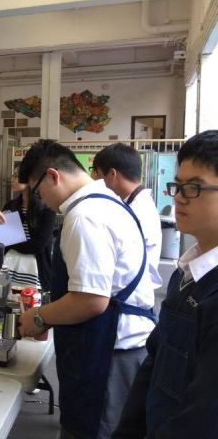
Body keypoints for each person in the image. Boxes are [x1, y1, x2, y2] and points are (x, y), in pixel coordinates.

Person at [16, 139, 156, 439]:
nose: (42, 200)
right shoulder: (106, 202)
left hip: (109, 354)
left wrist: (39, 317)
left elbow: (91, 300)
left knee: (93, 431)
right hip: (117, 346)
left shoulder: (84, 216)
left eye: (39, 192)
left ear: (53, 176)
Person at [113, 130, 218, 439]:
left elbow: (203, 419)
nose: (179, 196)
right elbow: (154, 368)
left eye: (194, 187)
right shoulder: (186, 275)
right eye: (179, 185)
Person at [92, 144, 163, 289]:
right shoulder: (135, 203)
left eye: (97, 175)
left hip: (130, 293)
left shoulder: (136, 210)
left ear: (112, 174)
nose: (95, 181)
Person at [0, 167, 56, 290]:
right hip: (9, 264)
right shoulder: (11, 205)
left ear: (30, 181)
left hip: (35, 268)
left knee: (31, 300)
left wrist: (11, 243)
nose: (12, 179)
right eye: (12, 175)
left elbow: (38, 245)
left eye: (16, 176)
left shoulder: (46, 208)